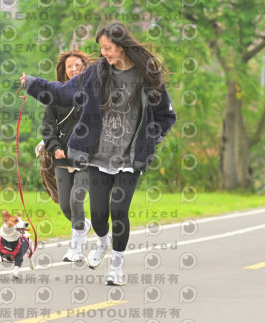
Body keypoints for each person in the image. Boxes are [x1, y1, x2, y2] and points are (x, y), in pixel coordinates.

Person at [20, 21, 177, 285]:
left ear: (122, 46)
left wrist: (150, 139)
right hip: (97, 156)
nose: (103, 53)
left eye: (108, 48)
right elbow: (64, 93)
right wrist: (32, 84)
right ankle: (102, 241)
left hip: (129, 159)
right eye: (102, 48)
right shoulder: (98, 72)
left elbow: (166, 116)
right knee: (99, 215)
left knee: (119, 210)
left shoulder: (146, 74)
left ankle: (117, 266)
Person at [40, 50, 93, 262]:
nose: (73, 69)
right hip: (62, 158)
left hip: (87, 158)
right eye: (69, 66)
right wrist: (54, 147)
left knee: (76, 200)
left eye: (77, 65)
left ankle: (76, 249)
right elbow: (47, 126)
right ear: (64, 70)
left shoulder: (95, 94)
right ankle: (83, 225)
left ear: (85, 67)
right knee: (65, 205)